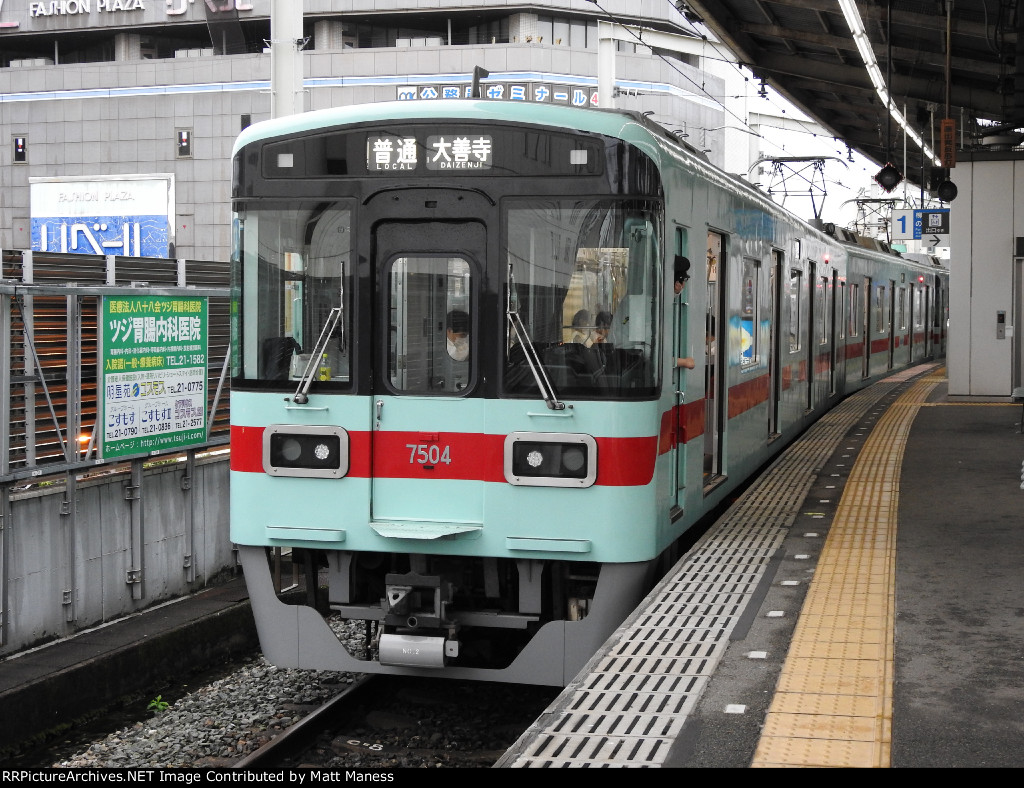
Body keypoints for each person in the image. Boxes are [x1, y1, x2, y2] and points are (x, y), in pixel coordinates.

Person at [673, 256, 696, 370]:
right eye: (685, 281)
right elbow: (650, 356)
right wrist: (684, 362)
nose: (684, 286)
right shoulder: (653, 308)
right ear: (678, 284)